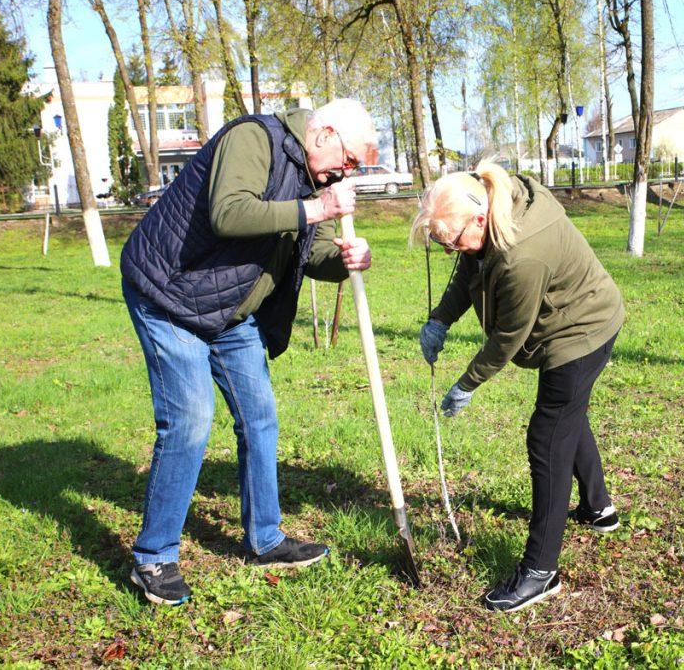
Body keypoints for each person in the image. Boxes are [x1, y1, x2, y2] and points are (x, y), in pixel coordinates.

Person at [119, 99, 377, 606]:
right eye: (349, 161)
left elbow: (314, 250)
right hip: (168, 294)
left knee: (260, 419)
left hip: (232, 311)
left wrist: (348, 259)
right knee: (190, 420)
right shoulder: (253, 138)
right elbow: (229, 212)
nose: (349, 174)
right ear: (323, 134)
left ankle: (265, 538)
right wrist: (316, 208)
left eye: (356, 169)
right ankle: (153, 557)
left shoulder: (316, 178)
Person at [411, 160, 625, 613]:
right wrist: (440, 319)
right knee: (568, 415)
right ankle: (598, 508)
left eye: (451, 241)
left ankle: (540, 572)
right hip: (572, 318)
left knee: (548, 435)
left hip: (581, 330)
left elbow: (509, 335)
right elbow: (469, 270)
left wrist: (466, 383)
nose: (451, 251)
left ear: (480, 218)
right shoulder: (495, 211)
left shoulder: (521, 252)